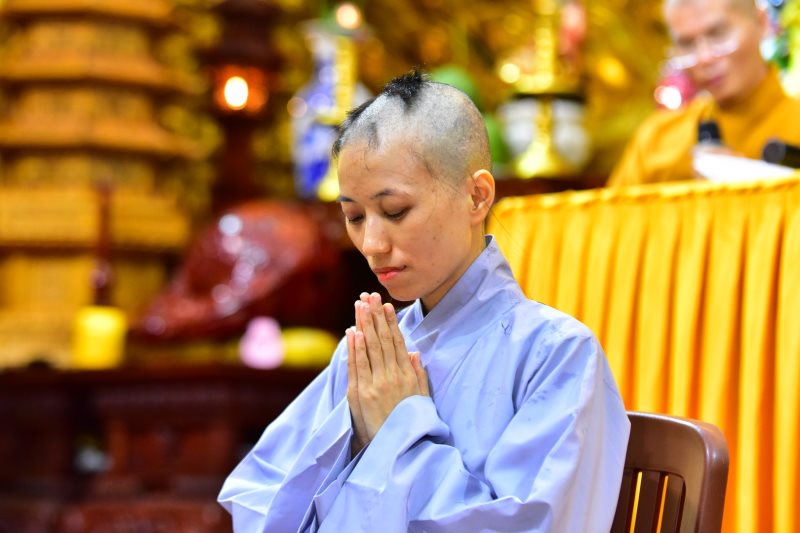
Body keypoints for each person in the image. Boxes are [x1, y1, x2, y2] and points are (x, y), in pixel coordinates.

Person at [218, 70, 630, 532]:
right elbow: (258, 497)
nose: (372, 243)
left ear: (477, 197)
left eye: (395, 211)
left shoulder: (556, 355)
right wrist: (350, 442)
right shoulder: (370, 356)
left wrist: (400, 429)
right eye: (354, 216)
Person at [608, 0, 800, 187]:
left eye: (718, 34)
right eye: (687, 44)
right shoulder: (657, 140)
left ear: (761, 22)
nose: (704, 58)